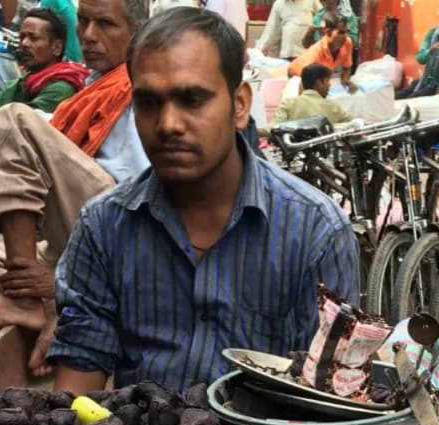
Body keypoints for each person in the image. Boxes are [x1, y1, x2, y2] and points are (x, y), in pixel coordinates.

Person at [47, 7, 359, 396]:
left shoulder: (316, 233)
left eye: (192, 100)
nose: (168, 124)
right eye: (148, 103)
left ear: (240, 105)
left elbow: (330, 401)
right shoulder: (103, 226)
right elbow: (75, 388)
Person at [0, 0, 151, 374]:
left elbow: (141, 197)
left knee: (12, 122)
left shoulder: (138, 88)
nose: (90, 36)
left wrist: (64, 280)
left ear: (136, 33)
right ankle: (47, 301)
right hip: (72, 237)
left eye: (106, 24)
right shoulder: (92, 83)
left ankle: (43, 298)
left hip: (116, 230)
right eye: (85, 22)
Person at [0, 7, 86, 119]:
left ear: (57, 47)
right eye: (22, 37)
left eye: (33, 38)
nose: (24, 43)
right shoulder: (28, 79)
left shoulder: (60, 89)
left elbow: (18, 123)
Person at [396, 5, 439, 98]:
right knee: (397, 96)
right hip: (428, 80)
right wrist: (431, 50)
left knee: (411, 99)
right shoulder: (432, 33)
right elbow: (420, 59)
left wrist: (438, 92)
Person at [288, 14, 352, 90]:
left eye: (346, 32)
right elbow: (307, 80)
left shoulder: (347, 43)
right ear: (328, 32)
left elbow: (347, 67)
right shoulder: (317, 52)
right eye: (341, 32)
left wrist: (345, 80)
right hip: (297, 76)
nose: (345, 36)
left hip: (317, 78)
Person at [273, 61, 350, 124]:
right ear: (319, 83)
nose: (329, 85)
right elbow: (352, 125)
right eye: (327, 81)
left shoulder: (288, 104)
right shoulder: (332, 107)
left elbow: (273, 128)